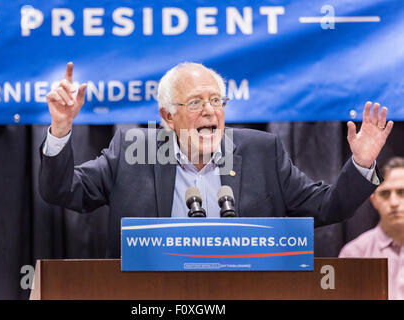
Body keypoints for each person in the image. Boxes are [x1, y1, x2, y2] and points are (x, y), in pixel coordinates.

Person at [39, 61, 393, 258]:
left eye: (217, 101)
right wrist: (60, 129)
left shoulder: (261, 151)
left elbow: (329, 206)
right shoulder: (132, 152)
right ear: (167, 116)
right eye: (195, 103)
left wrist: (361, 163)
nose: (210, 111)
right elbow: (62, 191)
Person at [339, 157, 404, 300]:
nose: (393, 202)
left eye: (402, 192)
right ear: (374, 200)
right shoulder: (354, 254)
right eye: (385, 193)